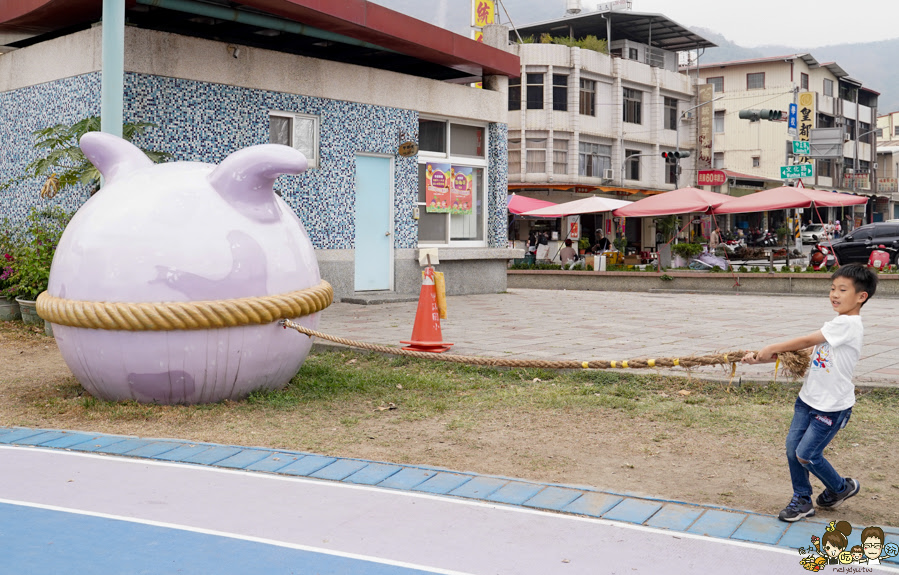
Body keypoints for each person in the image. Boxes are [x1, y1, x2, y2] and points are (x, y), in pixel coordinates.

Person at [743, 263, 878, 523]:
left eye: (842, 290)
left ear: (862, 296)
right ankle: (802, 499)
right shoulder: (837, 324)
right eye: (832, 288)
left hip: (832, 407)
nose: (834, 294)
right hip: (807, 401)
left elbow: (805, 341)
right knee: (793, 450)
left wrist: (772, 345)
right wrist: (759, 358)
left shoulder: (849, 324)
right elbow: (805, 353)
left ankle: (840, 488)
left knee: (806, 454)